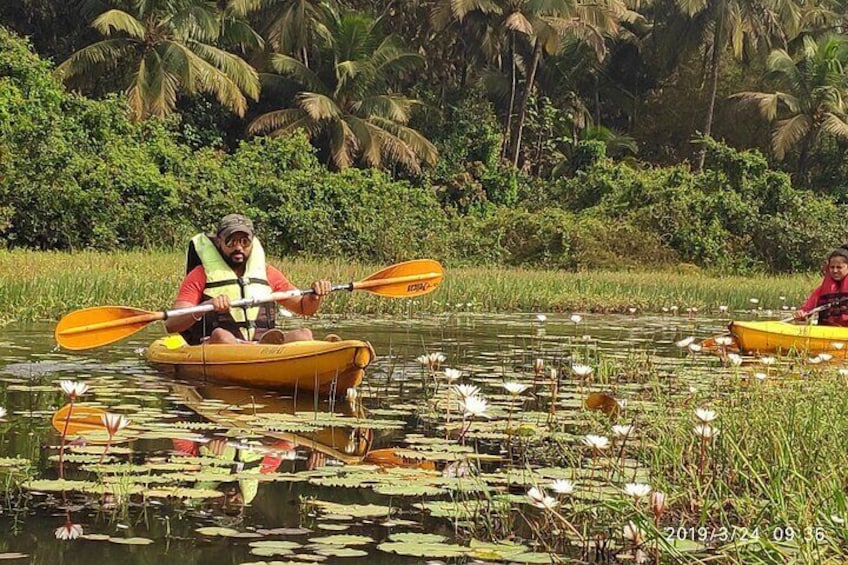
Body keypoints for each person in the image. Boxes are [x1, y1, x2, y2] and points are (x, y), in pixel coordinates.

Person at [164, 214, 331, 344]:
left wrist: (315, 296)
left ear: (252, 242)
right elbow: (172, 324)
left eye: (244, 242)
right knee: (221, 336)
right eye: (231, 241)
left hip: (260, 345)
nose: (238, 248)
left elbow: (304, 307)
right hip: (217, 345)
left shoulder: (267, 273)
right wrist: (205, 307)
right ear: (220, 241)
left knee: (304, 334)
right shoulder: (200, 274)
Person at [793, 247, 848, 326]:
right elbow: (806, 312)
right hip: (826, 331)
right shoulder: (820, 290)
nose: (835, 271)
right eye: (832, 267)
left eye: (839, 267)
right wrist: (801, 314)